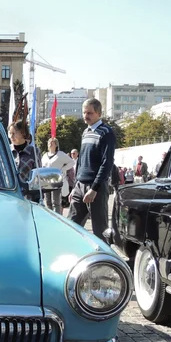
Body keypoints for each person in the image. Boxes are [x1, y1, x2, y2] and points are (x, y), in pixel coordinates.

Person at [68, 98, 116, 241]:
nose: (86, 115)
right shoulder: (85, 132)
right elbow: (81, 160)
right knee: (71, 225)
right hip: (79, 186)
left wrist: (94, 188)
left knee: (100, 231)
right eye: (84, 112)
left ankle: (104, 261)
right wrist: (75, 186)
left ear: (99, 113)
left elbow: (107, 163)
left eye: (90, 112)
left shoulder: (106, 133)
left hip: (96, 188)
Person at [8, 120, 40, 202]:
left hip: (28, 200)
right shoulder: (6, 150)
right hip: (7, 197)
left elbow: (38, 177)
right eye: (9, 133)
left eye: (14, 133)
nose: (11, 136)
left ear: (23, 133)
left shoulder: (34, 152)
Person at [41, 138, 74, 214]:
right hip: (46, 180)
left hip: (56, 179)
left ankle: (57, 217)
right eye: (49, 142)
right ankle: (50, 217)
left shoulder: (60, 154)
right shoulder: (45, 155)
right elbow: (42, 166)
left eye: (52, 142)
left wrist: (62, 169)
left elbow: (71, 162)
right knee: (48, 201)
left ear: (56, 144)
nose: (50, 144)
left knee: (55, 201)